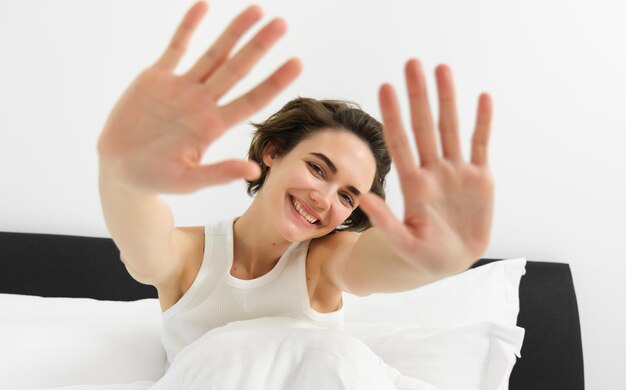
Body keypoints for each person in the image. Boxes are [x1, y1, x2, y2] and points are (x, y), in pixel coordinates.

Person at [97, 1, 494, 366]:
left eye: (346, 195)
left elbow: (374, 264)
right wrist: (120, 174)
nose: (323, 200)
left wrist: (439, 259)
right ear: (272, 151)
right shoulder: (189, 257)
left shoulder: (324, 261)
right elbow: (142, 244)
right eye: (318, 169)